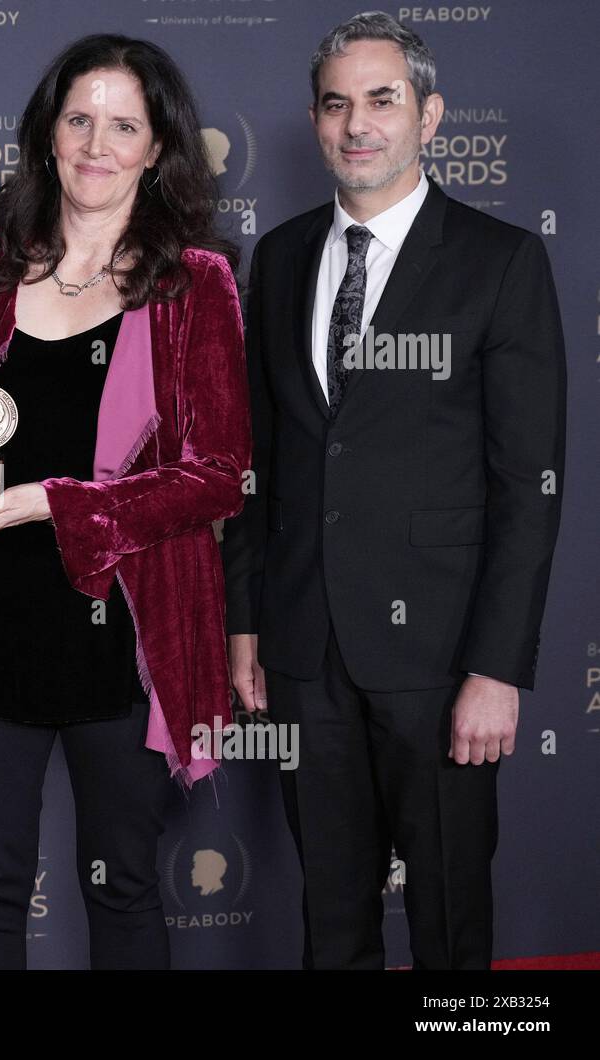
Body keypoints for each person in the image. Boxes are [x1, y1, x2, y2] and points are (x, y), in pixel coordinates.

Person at [0, 33, 250, 970]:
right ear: (48, 134)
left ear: (157, 148)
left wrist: (61, 503)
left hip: (124, 633)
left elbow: (219, 474)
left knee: (122, 882)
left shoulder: (193, 283)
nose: (96, 142)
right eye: (79, 118)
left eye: (122, 124)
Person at [223, 12, 566, 969]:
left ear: (431, 115)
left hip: (445, 658)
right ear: (315, 121)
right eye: (337, 104)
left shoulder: (501, 262)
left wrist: (498, 669)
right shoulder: (282, 256)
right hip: (303, 645)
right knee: (332, 917)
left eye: (383, 99)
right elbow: (262, 459)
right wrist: (245, 622)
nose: (358, 123)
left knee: (452, 920)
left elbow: (527, 485)